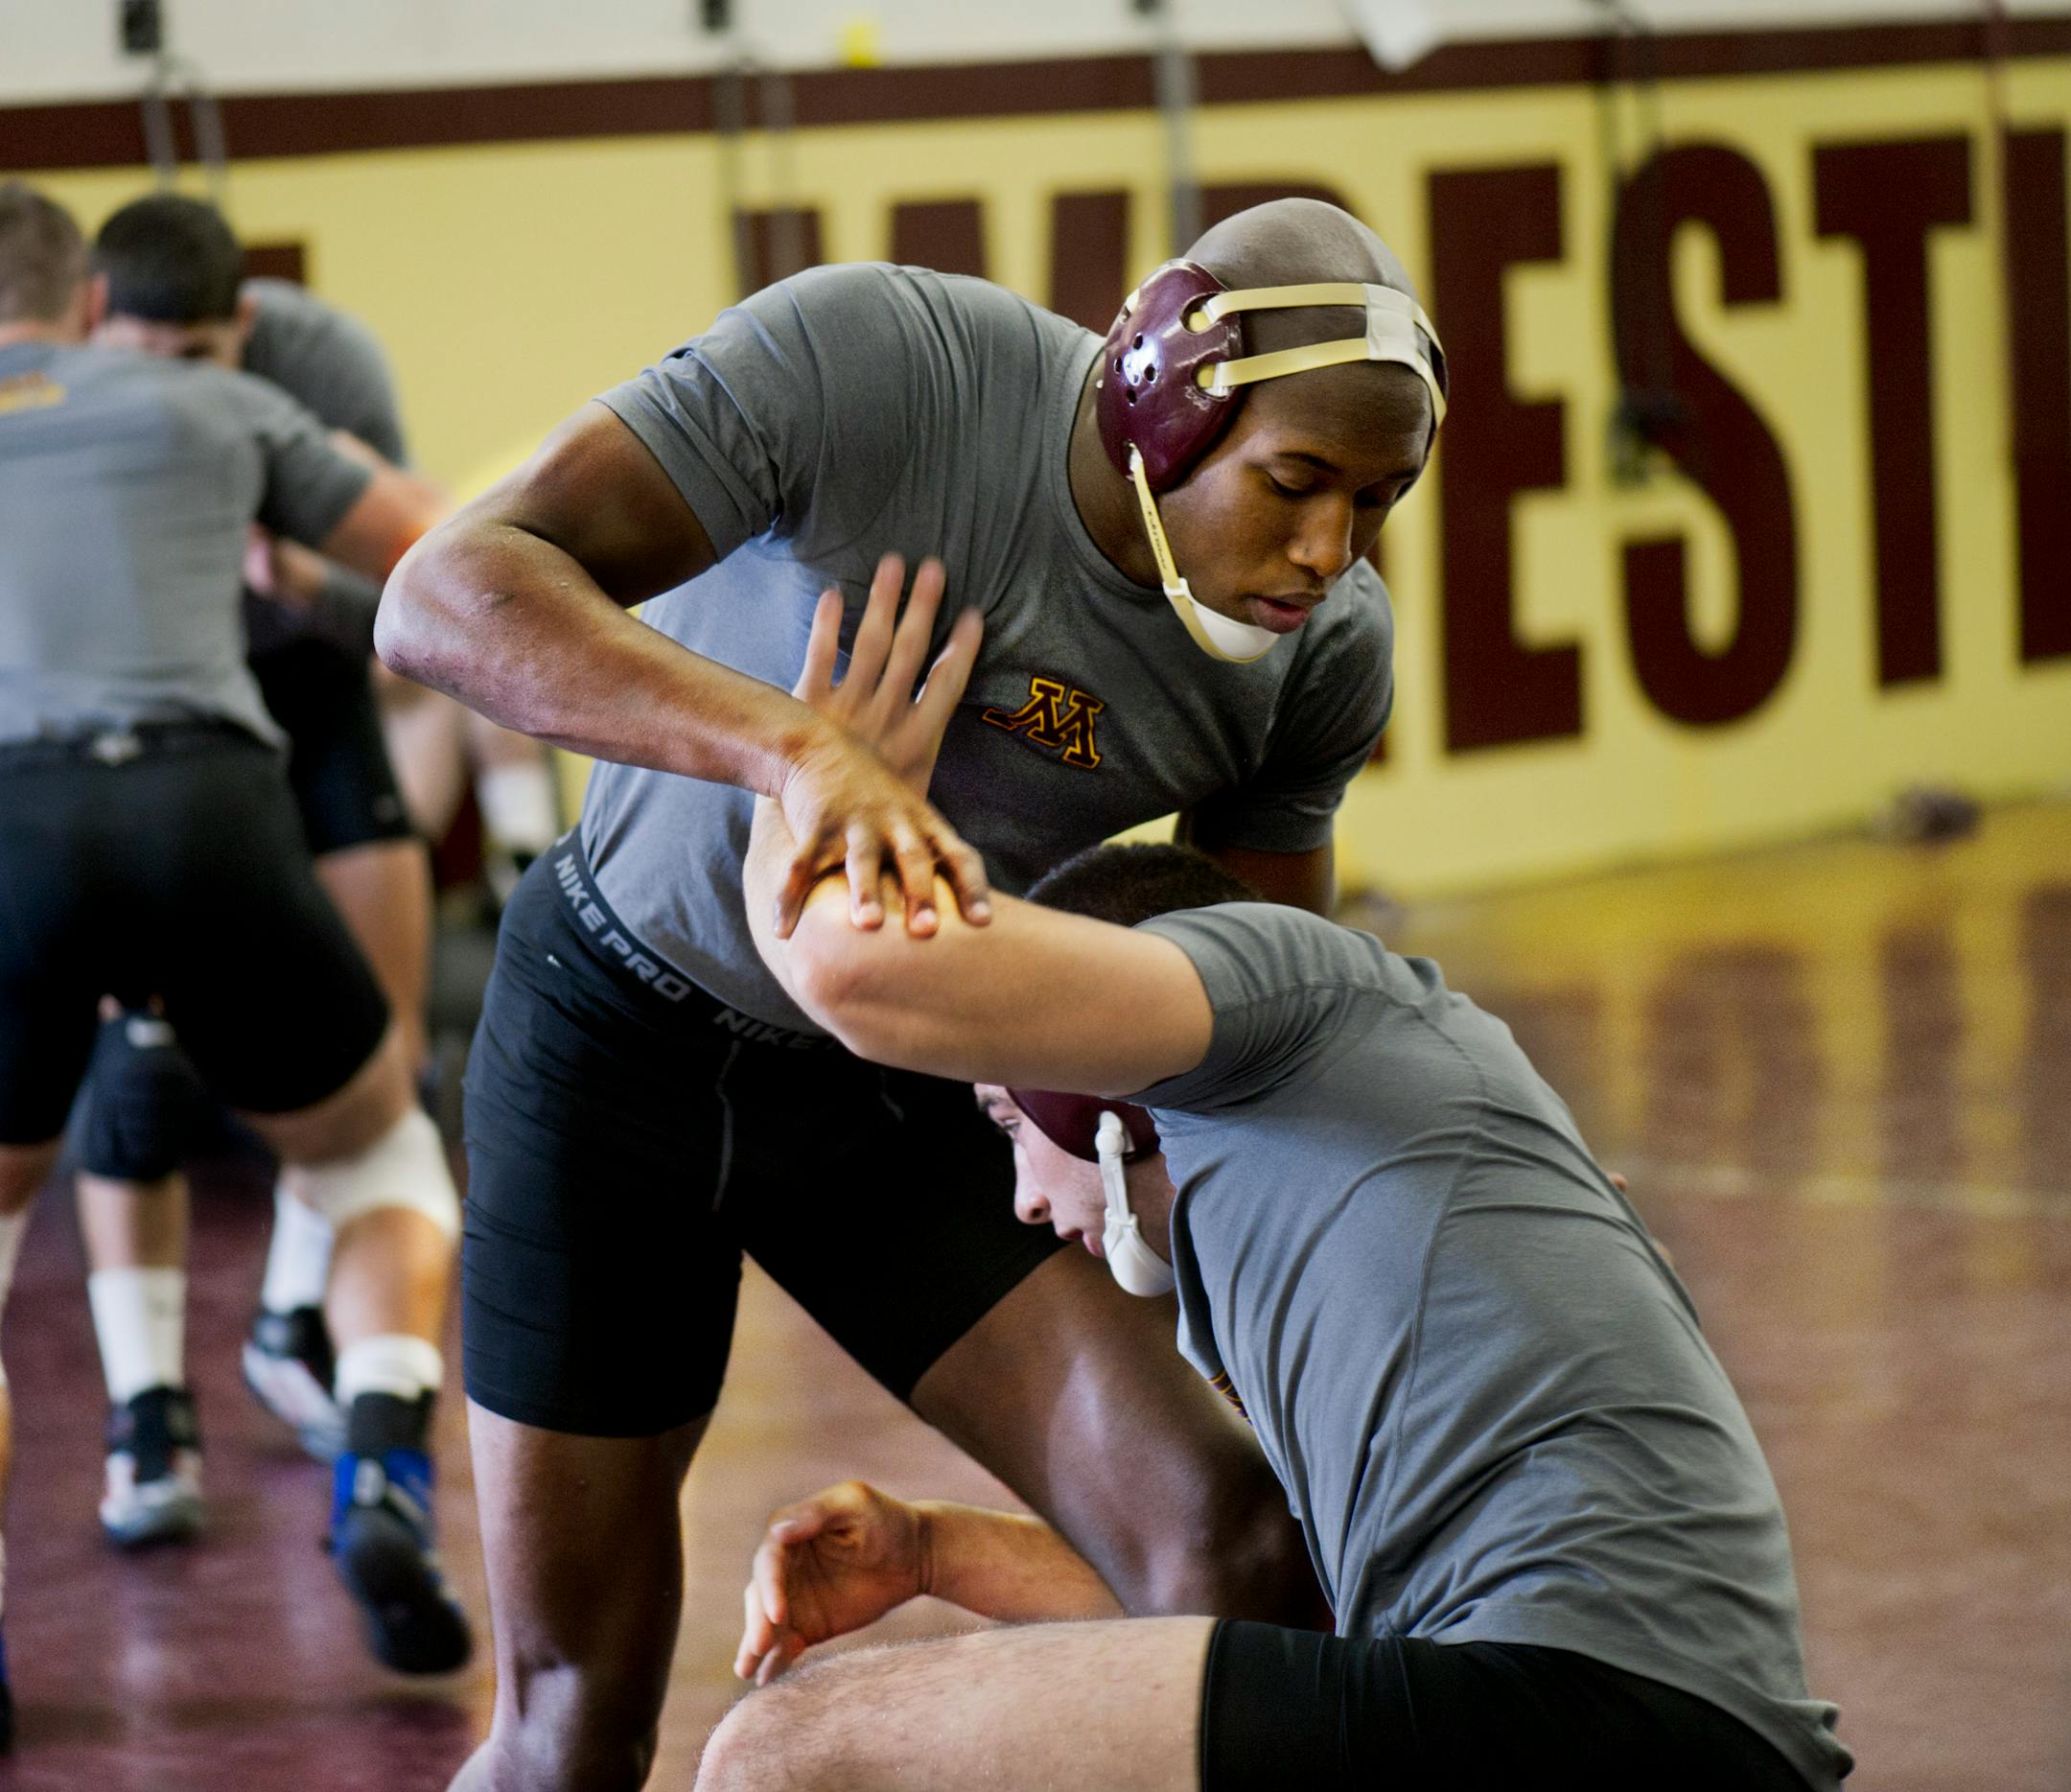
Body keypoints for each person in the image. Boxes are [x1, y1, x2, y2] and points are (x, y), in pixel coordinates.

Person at [377, 196, 1446, 1787]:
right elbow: (441, 593)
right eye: (1297, 484)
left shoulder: (1321, 652)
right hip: (608, 1034)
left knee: (1232, 1547)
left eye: (1374, 501)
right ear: (1164, 406)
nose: (1326, 552)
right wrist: (790, 747)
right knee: (572, 1717)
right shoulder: (886, 363)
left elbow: (1252, 1012)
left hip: (906, 1075)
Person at [691, 578, 1854, 1791]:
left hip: (1576, 1701)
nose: (1024, 1199)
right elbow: (1289, 1611)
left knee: (787, 1752)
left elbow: (867, 984)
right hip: (1630, 1720)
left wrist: (799, 777)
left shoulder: (1288, 984)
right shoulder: (1347, 1179)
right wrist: (935, 1554)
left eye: (1004, 1120)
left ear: (1095, 1092)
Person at [0, 184, 472, 1700]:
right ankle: (385, 1465)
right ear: (87, 301)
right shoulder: (218, 396)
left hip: (11, 823)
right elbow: (450, 560)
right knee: (381, 1161)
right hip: (213, 804)